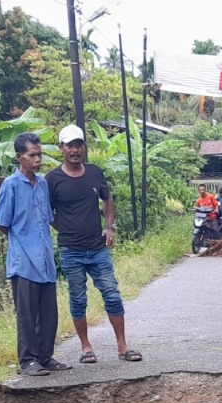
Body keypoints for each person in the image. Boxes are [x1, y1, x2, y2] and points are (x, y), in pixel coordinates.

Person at [46, 123, 142, 363]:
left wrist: (110, 227)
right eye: (70, 145)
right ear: (61, 148)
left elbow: (107, 200)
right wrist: (64, 227)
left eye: (79, 145)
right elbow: (47, 212)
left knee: (112, 294)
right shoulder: (52, 179)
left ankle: (122, 346)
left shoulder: (95, 173)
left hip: (98, 248)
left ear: (84, 148)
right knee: (78, 298)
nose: (75, 150)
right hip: (71, 250)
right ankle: (86, 347)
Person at [0, 133, 68, 377]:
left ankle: (45, 356)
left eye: (39, 154)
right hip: (23, 261)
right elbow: (2, 223)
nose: (37, 159)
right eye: (32, 155)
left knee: (48, 313)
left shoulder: (43, 183)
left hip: (45, 259)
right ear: (20, 157)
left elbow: (48, 217)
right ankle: (28, 361)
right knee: (27, 314)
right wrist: (21, 242)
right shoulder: (11, 185)